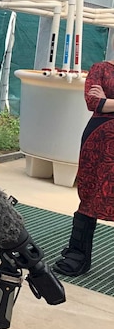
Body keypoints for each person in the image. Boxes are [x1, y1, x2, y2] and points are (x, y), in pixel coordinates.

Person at [53, 60, 114, 277]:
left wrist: (109, 101)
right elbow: (93, 102)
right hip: (98, 143)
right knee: (90, 196)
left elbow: (104, 103)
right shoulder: (101, 68)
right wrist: (102, 102)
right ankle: (77, 256)